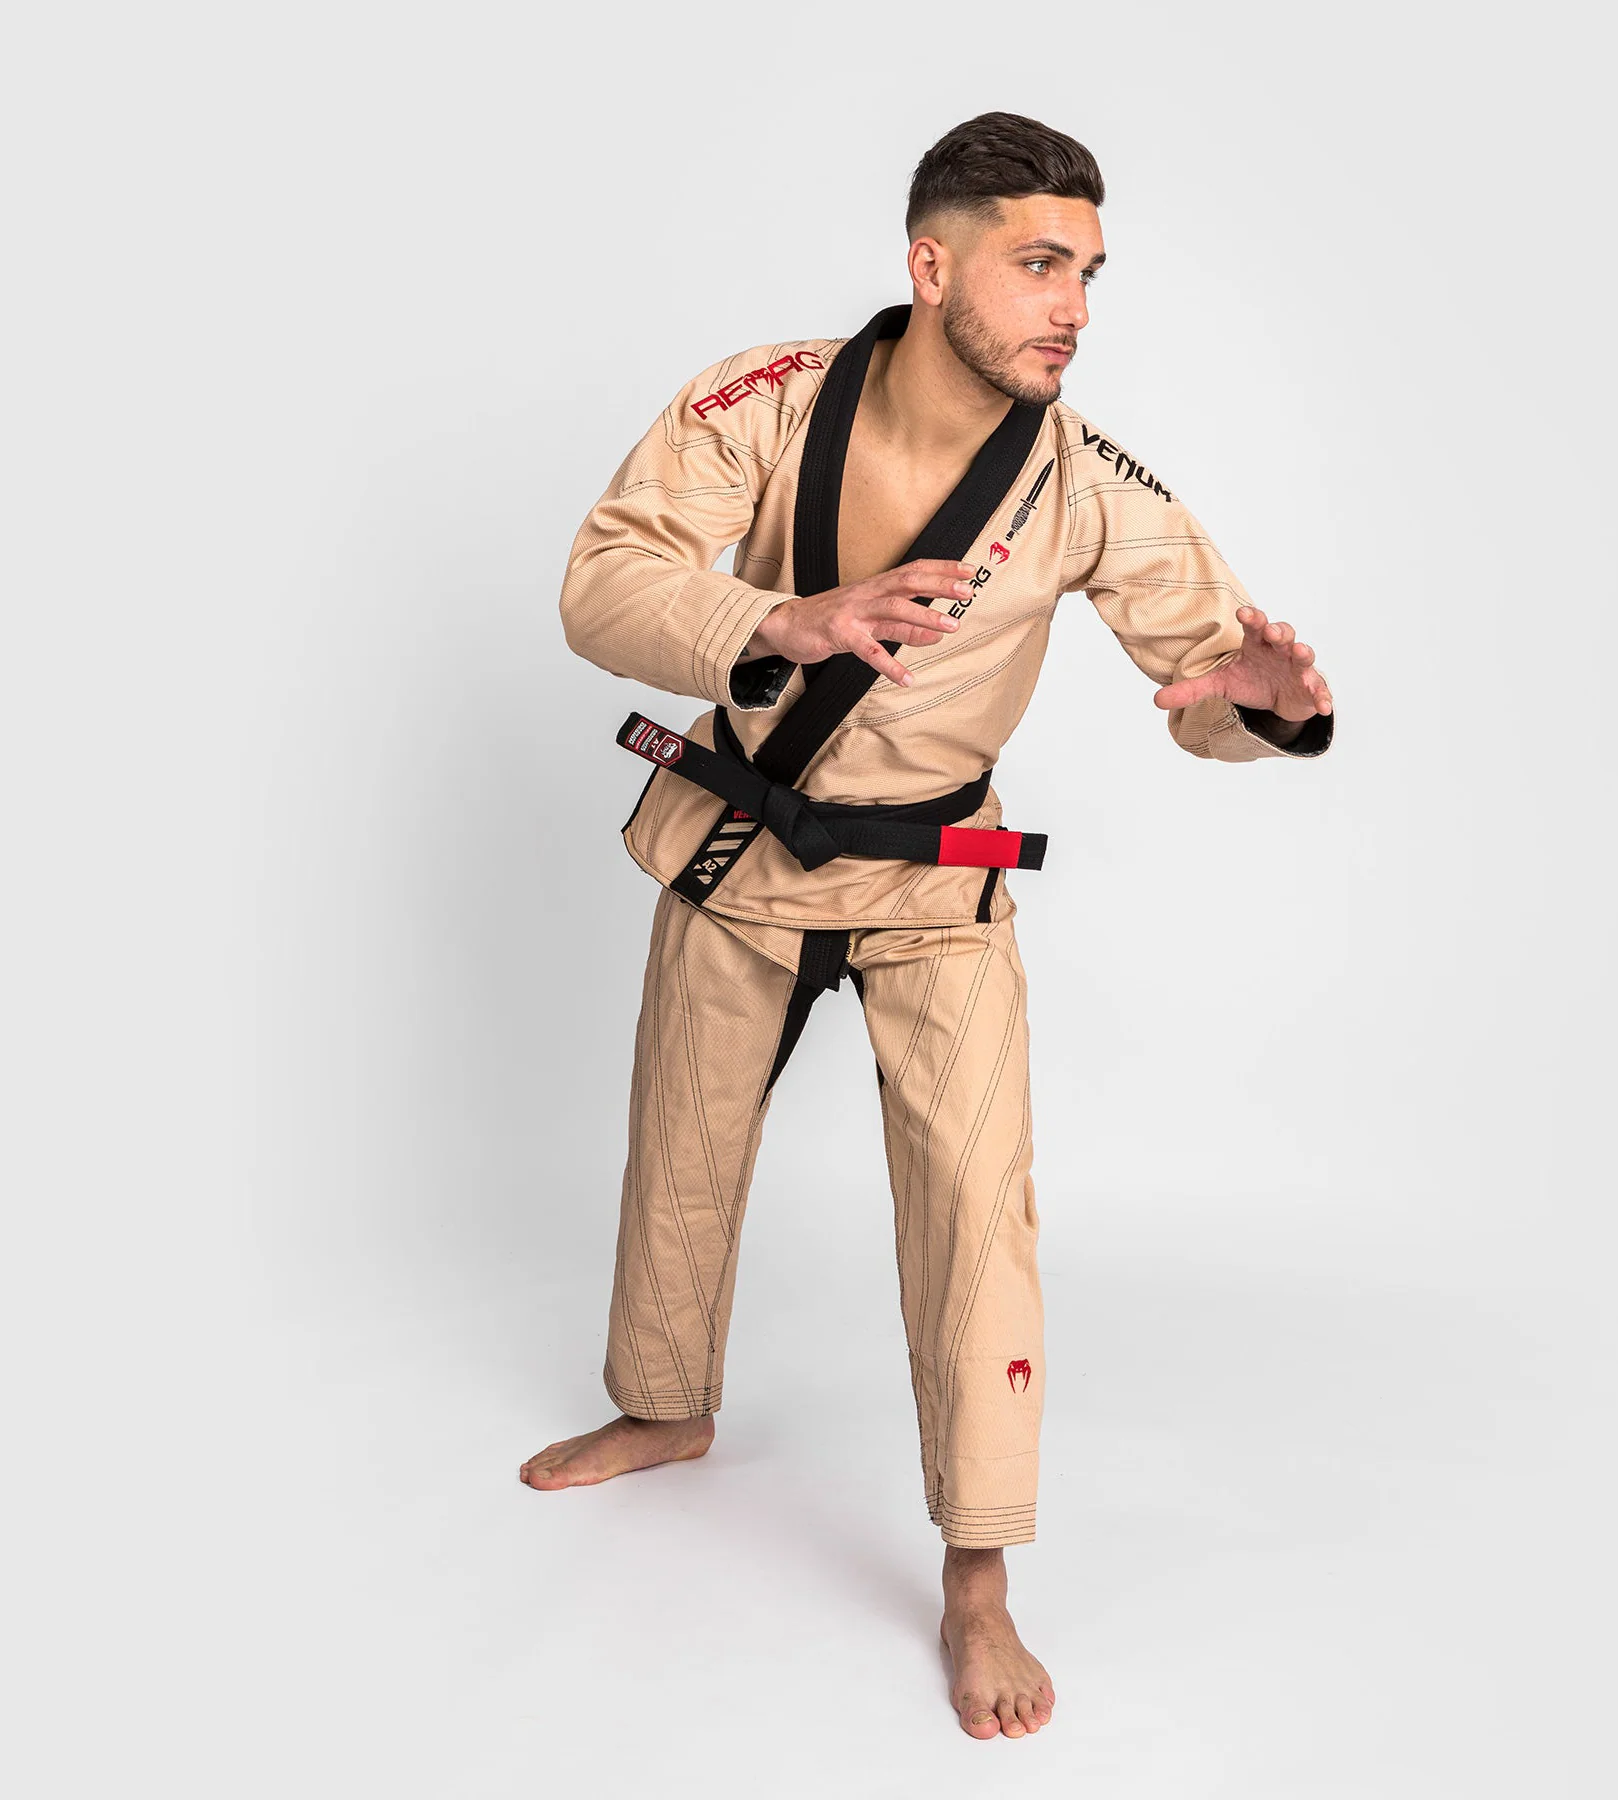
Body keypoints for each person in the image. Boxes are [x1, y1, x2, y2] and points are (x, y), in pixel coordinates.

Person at [521, 111, 1335, 1741]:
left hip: (933, 888)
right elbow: (602, 581)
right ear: (932, 265)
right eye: (1040, 265)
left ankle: (978, 1574)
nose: (1074, 308)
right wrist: (781, 618)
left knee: (974, 1215)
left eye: (1089, 273)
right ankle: (665, 1410)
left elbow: (1202, 682)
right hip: (744, 849)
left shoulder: (1083, 482)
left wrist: (1271, 710)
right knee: (680, 1146)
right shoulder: (766, 398)